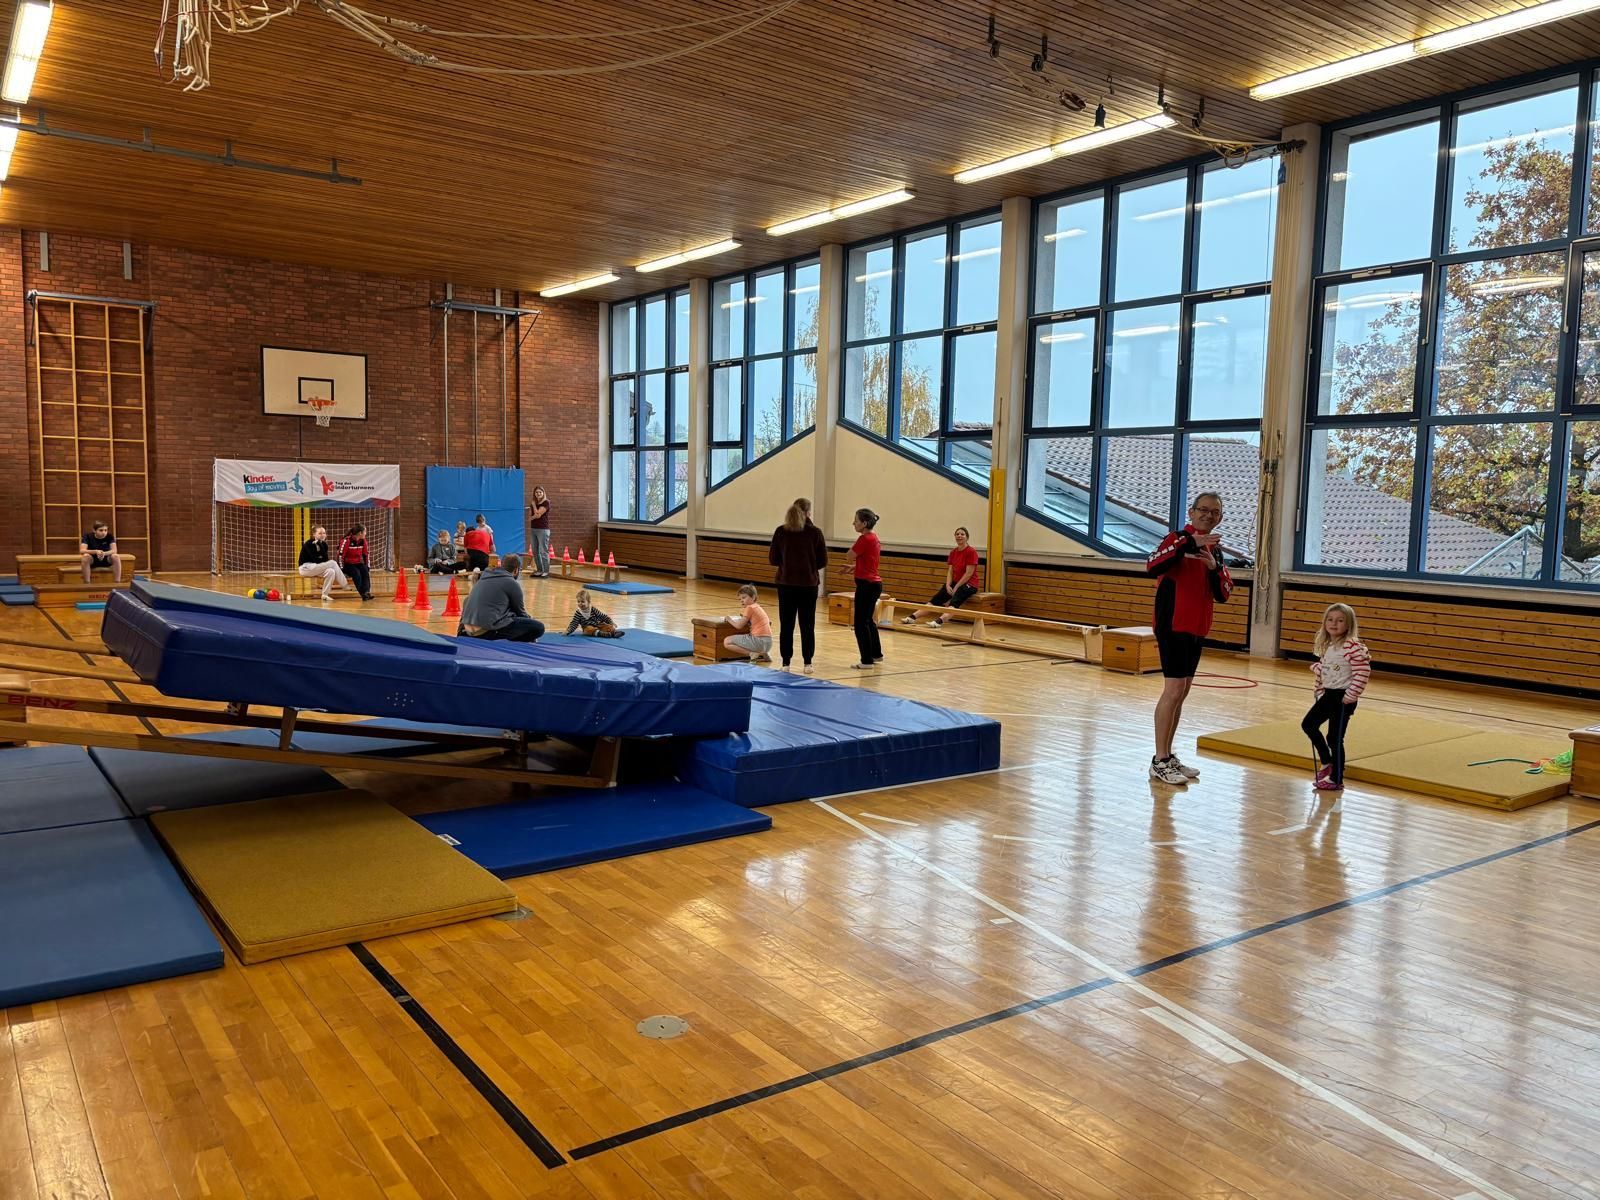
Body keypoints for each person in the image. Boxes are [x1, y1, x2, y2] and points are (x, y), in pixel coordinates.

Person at [1145, 492, 1233, 785]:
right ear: (1192, 512)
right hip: (1173, 624)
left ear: (1220, 518)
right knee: (1173, 690)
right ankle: (1159, 760)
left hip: (1197, 627)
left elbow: (1224, 593)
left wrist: (1214, 569)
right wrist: (1187, 543)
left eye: (1215, 512)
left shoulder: (1215, 550)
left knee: (1182, 691)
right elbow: (1152, 565)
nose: (1208, 515)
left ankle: (1168, 756)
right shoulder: (1177, 538)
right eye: (1203, 510)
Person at [1303, 603, 1371, 792]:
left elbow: (1363, 671)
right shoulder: (1329, 646)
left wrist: (1351, 695)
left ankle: (1336, 778)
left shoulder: (1352, 646)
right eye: (1330, 620)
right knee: (1308, 724)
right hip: (1329, 694)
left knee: (1334, 738)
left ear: (1348, 625)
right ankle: (1327, 761)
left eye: (1340, 621)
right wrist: (1319, 682)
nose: (1334, 624)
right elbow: (1330, 668)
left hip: (1343, 698)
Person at [768, 497, 827, 673]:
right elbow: (822, 561)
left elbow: (773, 559)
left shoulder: (781, 531)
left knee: (786, 625)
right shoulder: (815, 532)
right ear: (808, 513)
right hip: (808, 585)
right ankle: (808, 663)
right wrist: (808, 567)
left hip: (786, 584)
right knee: (807, 625)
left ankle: (786, 663)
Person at [904, 527, 981, 626]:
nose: (959, 536)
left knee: (955, 601)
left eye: (962, 534)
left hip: (969, 584)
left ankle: (939, 621)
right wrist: (948, 585)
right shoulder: (953, 552)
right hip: (956, 582)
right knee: (936, 599)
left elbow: (969, 573)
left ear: (967, 537)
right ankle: (912, 617)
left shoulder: (971, 552)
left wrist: (956, 587)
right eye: (957, 534)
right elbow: (950, 571)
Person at [457, 554, 544, 642]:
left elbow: (467, 601)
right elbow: (521, 613)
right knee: (539, 627)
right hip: (485, 633)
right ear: (516, 570)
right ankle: (515, 643)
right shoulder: (512, 583)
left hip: (466, 631)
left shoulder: (484, 577)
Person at [845, 508, 883, 671]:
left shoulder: (865, 538)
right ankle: (876, 654)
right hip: (873, 584)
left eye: (856, 521)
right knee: (868, 621)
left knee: (860, 623)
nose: (853, 523)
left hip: (867, 586)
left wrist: (853, 561)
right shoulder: (874, 537)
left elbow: (849, 555)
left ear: (864, 523)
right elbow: (869, 561)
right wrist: (856, 567)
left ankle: (866, 660)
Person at [724, 584, 773, 663]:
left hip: (758, 641)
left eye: (744, 597)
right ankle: (764, 653)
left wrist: (729, 619)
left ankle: (752, 653)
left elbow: (738, 626)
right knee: (751, 635)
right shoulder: (758, 607)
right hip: (769, 643)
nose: (741, 600)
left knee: (727, 641)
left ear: (753, 597)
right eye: (740, 599)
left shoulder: (749, 608)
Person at [296, 524, 348, 600]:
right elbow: (316, 559)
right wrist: (319, 548)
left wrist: (320, 544)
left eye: (324, 533)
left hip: (316, 567)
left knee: (331, 571)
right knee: (333, 563)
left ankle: (325, 595)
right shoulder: (309, 544)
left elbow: (325, 560)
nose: (322, 535)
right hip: (305, 568)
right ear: (314, 534)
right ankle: (345, 585)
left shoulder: (324, 544)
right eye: (320, 533)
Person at [338, 524, 374, 601]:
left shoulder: (363, 541)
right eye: (365, 532)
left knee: (364, 570)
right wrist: (341, 568)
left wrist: (367, 566)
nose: (366, 533)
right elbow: (340, 555)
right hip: (347, 565)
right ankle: (363, 594)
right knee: (356, 573)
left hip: (357, 563)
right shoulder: (346, 541)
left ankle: (367, 592)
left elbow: (366, 554)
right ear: (360, 533)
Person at [529, 486, 552, 578]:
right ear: (534, 493)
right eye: (536, 492)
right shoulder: (533, 503)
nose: (538, 494)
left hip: (543, 529)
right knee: (535, 551)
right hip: (533, 529)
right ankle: (539, 570)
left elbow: (538, 515)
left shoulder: (546, 502)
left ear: (543, 493)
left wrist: (534, 506)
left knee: (543, 551)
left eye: (540, 492)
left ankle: (546, 571)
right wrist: (535, 514)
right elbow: (530, 518)